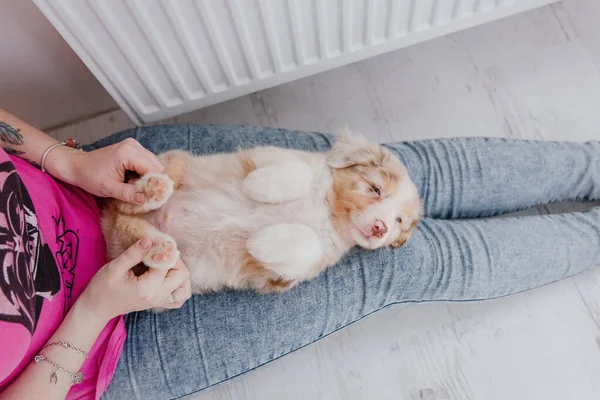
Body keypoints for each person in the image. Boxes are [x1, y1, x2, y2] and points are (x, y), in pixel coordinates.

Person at [0, 108, 598, 400]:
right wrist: (95, 310)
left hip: (111, 186)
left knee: (402, 173)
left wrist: (66, 159)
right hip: (98, 339)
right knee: (412, 263)